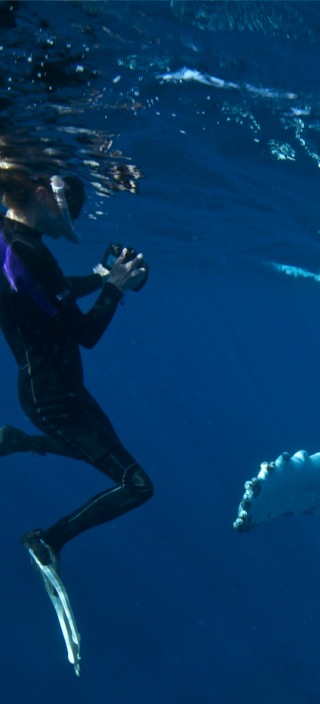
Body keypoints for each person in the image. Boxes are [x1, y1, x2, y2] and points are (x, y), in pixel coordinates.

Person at [0, 168, 152, 573]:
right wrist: (114, 287)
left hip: (54, 391)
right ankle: (48, 541)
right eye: (68, 210)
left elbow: (49, 290)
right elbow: (84, 334)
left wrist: (101, 276)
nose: (68, 222)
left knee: (100, 453)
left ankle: (18, 441)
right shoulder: (27, 251)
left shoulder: (12, 240)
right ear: (40, 194)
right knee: (136, 485)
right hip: (53, 398)